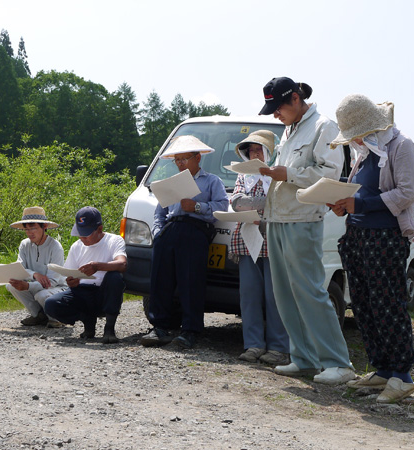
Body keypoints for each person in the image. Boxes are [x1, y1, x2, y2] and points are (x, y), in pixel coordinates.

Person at [257, 77, 355, 385]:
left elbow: (329, 173)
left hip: (303, 219)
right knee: (285, 294)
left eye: (279, 108)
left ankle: (338, 362)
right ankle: (303, 358)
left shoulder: (324, 127)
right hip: (278, 218)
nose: (276, 115)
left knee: (311, 292)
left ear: (296, 99)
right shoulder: (290, 129)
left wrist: (289, 173)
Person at [327, 94, 414, 403]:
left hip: (386, 237)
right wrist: (344, 206)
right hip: (358, 235)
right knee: (364, 304)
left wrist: (360, 203)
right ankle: (382, 368)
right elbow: (361, 191)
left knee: (388, 304)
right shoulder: (365, 150)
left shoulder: (401, 146)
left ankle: (402, 376)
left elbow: (407, 193)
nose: (352, 138)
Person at [140, 135, 229, 349]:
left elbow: (222, 208)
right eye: (177, 160)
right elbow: (159, 212)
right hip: (171, 230)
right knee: (160, 278)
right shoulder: (172, 182)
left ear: (198, 158)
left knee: (191, 281)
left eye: (184, 159)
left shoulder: (211, 181)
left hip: (194, 230)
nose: (180, 164)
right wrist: (159, 232)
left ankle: (189, 330)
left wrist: (197, 207)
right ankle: (159, 326)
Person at [230, 130, 289, 365]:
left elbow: (280, 202)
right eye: (251, 150)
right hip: (247, 240)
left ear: (269, 153)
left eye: (258, 150)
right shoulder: (243, 177)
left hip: (273, 240)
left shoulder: (278, 176)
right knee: (249, 295)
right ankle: (253, 344)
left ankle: (278, 347)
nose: (254, 154)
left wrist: (255, 209)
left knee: (275, 296)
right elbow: (236, 202)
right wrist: (260, 208)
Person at [44, 207, 127, 344]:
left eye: (86, 234)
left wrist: (98, 266)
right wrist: (71, 282)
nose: (82, 238)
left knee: (115, 277)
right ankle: (87, 321)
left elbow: (122, 264)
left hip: (103, 292)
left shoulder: (114, 240)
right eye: (80, 233)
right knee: (51, 304)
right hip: (82, 292)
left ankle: (109, 328)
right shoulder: (77, 246)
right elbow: (69, 274)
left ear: (99, 229)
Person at [7, 206, 67, 327]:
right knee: (11, 285)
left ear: (44, 227)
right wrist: (34, 274)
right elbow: (20, 268)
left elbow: (53, 281)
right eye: (27, 229)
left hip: (57, 288)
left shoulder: (55, 247)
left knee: (42, 295)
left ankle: (56, 318)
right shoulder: (24, 245)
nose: (30, 233)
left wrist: (28, 285)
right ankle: (38, 315)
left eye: (33, 228)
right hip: (36, 284)